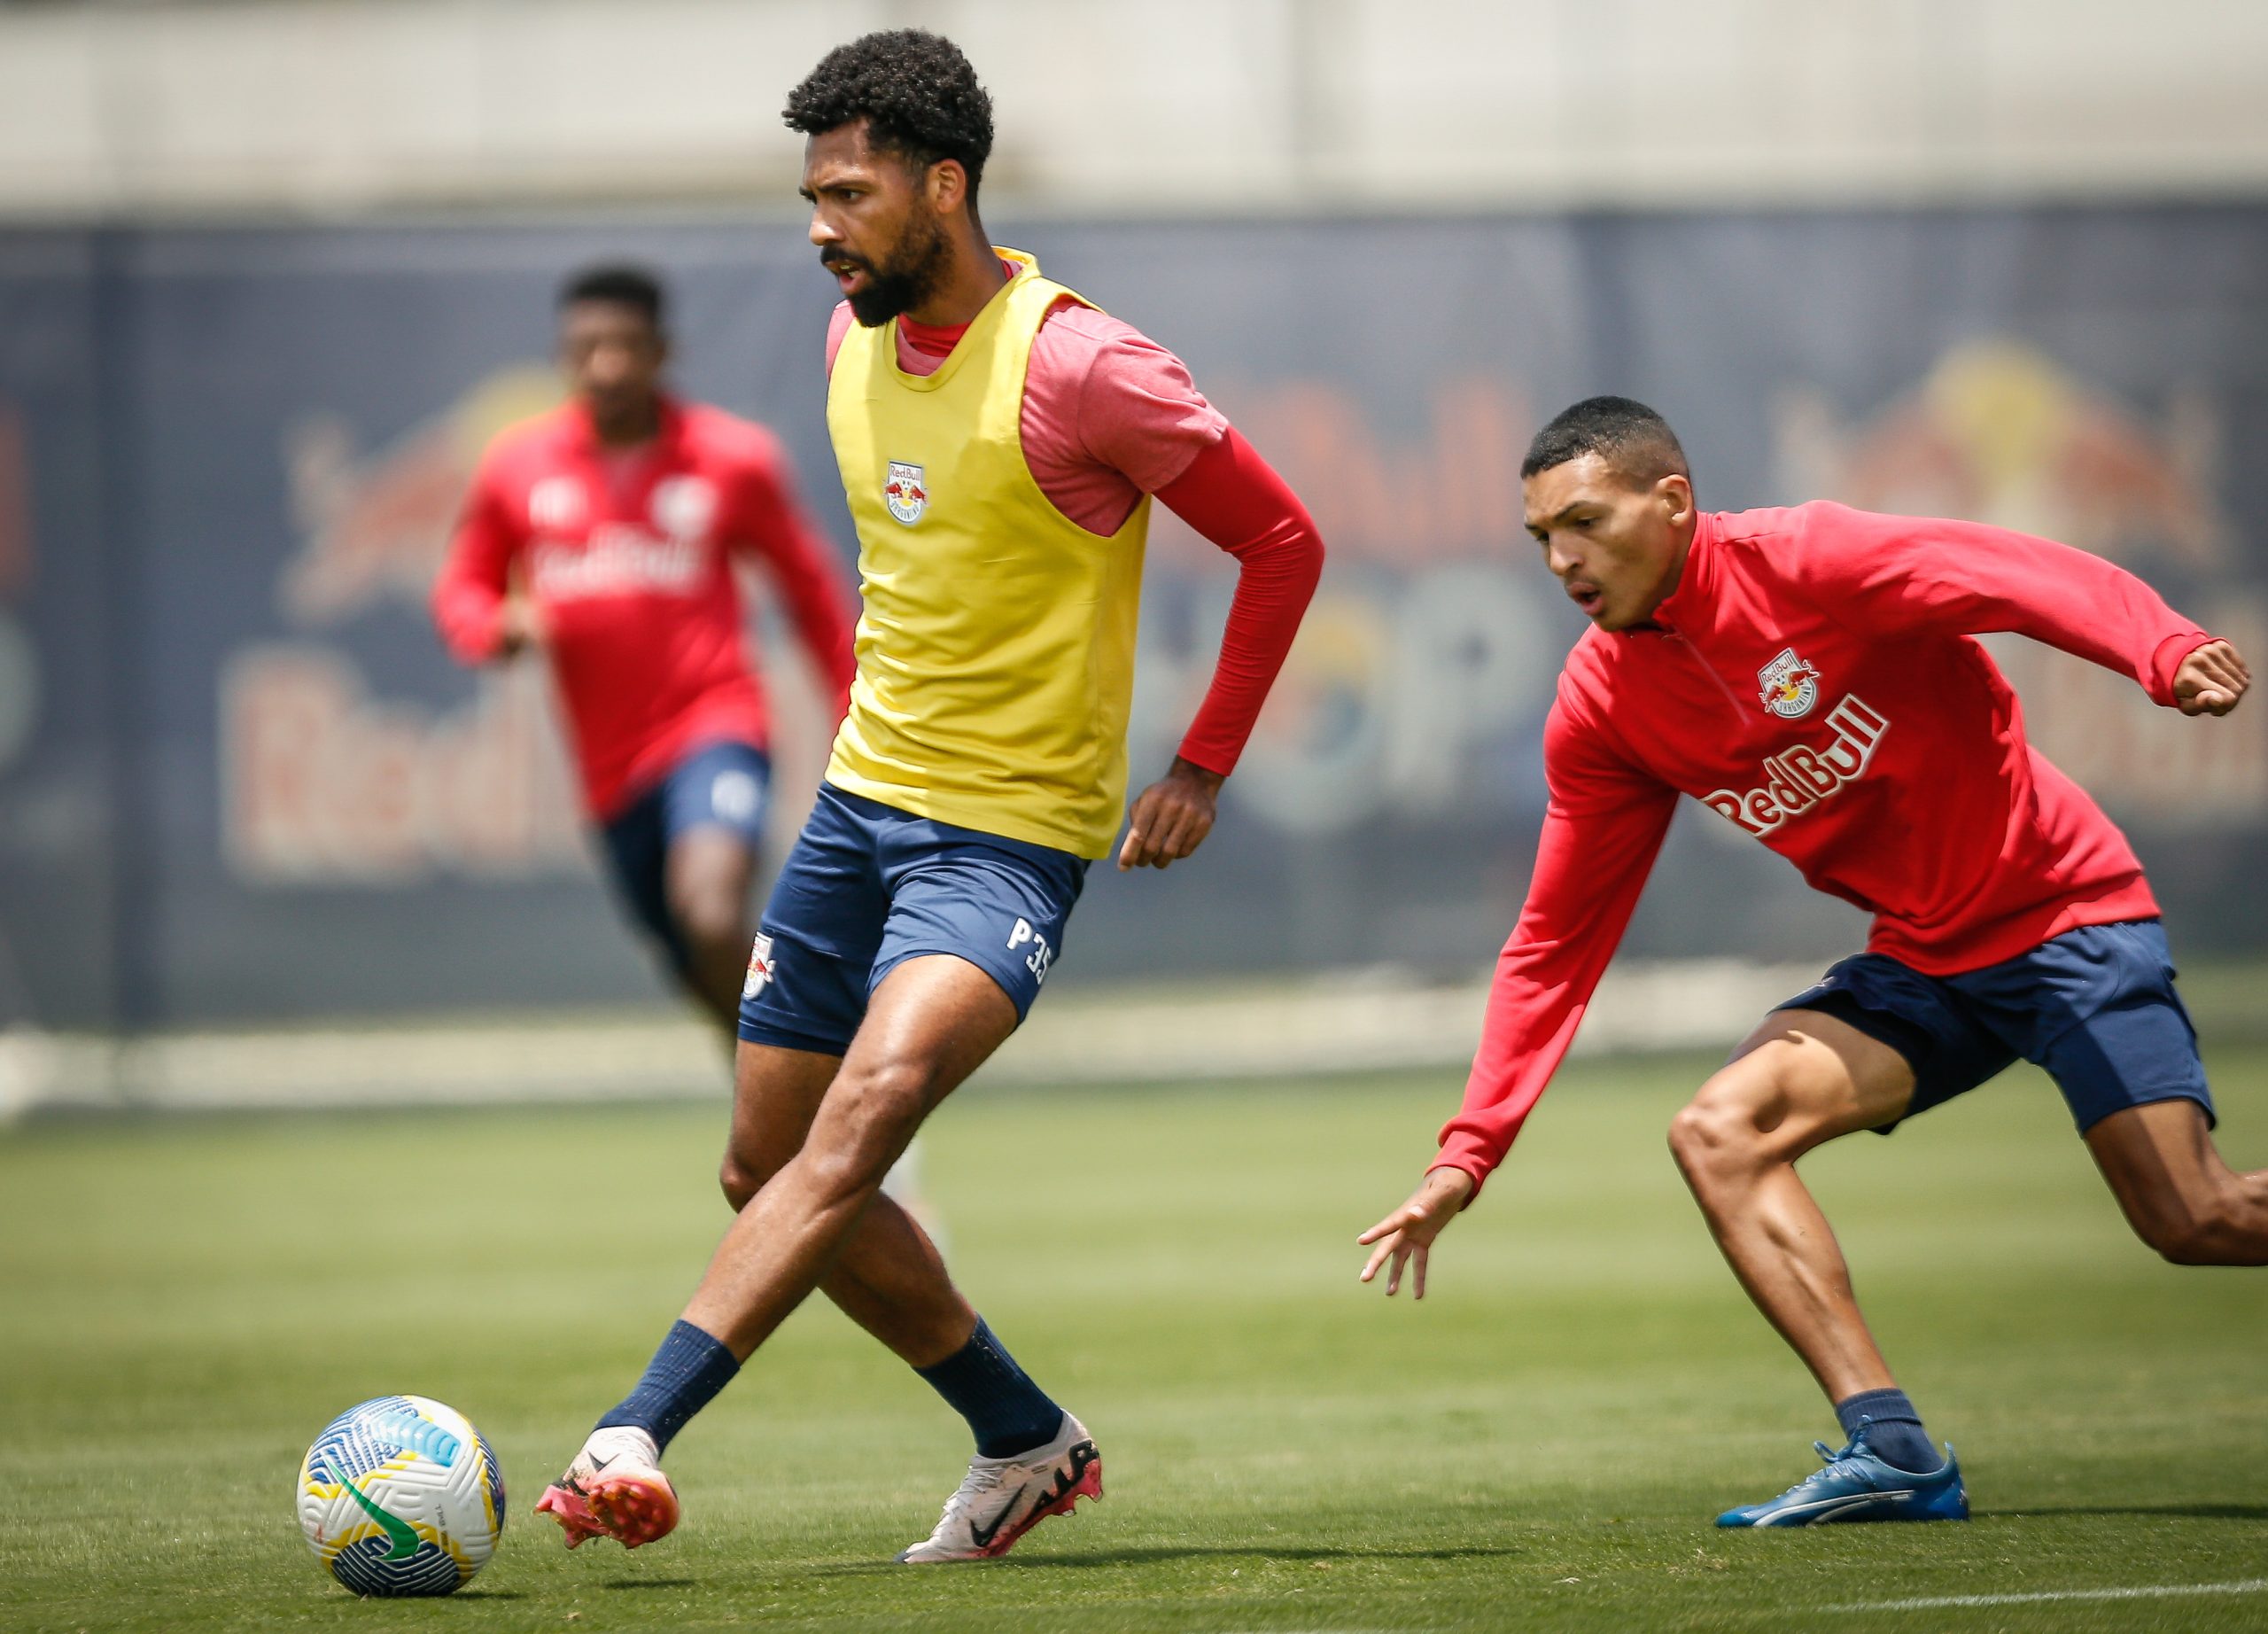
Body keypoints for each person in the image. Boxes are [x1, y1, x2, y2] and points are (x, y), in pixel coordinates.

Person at [534, 30, 1325, 1563]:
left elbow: (1283, 540)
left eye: (849, 191)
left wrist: (1204, 762)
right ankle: (1026, 1436)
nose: (820, 225)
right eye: (811, 193)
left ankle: (632, 1427)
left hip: (1008, 842)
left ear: (942, 186)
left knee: (863, 1117)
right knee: (765, 1166)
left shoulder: (1087, 364)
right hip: (853, 815)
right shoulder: (851, 342)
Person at [1358, 395, 2258, 1528]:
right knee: (1719, 1133)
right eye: (1541, 537)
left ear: (1671, 501)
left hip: (2061, 915)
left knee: (2193, 1219)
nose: (1561, 559)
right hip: (1923, 963)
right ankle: (1892, 1451)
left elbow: (2017, 572)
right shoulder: (1601, 706)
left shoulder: (1810, 559)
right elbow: (1552, 943)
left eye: (1582, 522)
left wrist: (2159, 646)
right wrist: (1469, 1150)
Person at [433, 264, 858, 1035]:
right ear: (564, 357)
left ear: (663, 353)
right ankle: (793, 1089)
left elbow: (812, 597)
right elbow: (463, 587)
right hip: (609, 771)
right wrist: (496, 628)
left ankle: (820, 1097)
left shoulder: (731, 459)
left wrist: (850, 714)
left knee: (709, 907)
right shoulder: (518, 468)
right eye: (587, 348)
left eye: (626, 347)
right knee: (690, 959)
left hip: (715, 724)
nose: (606, 366)